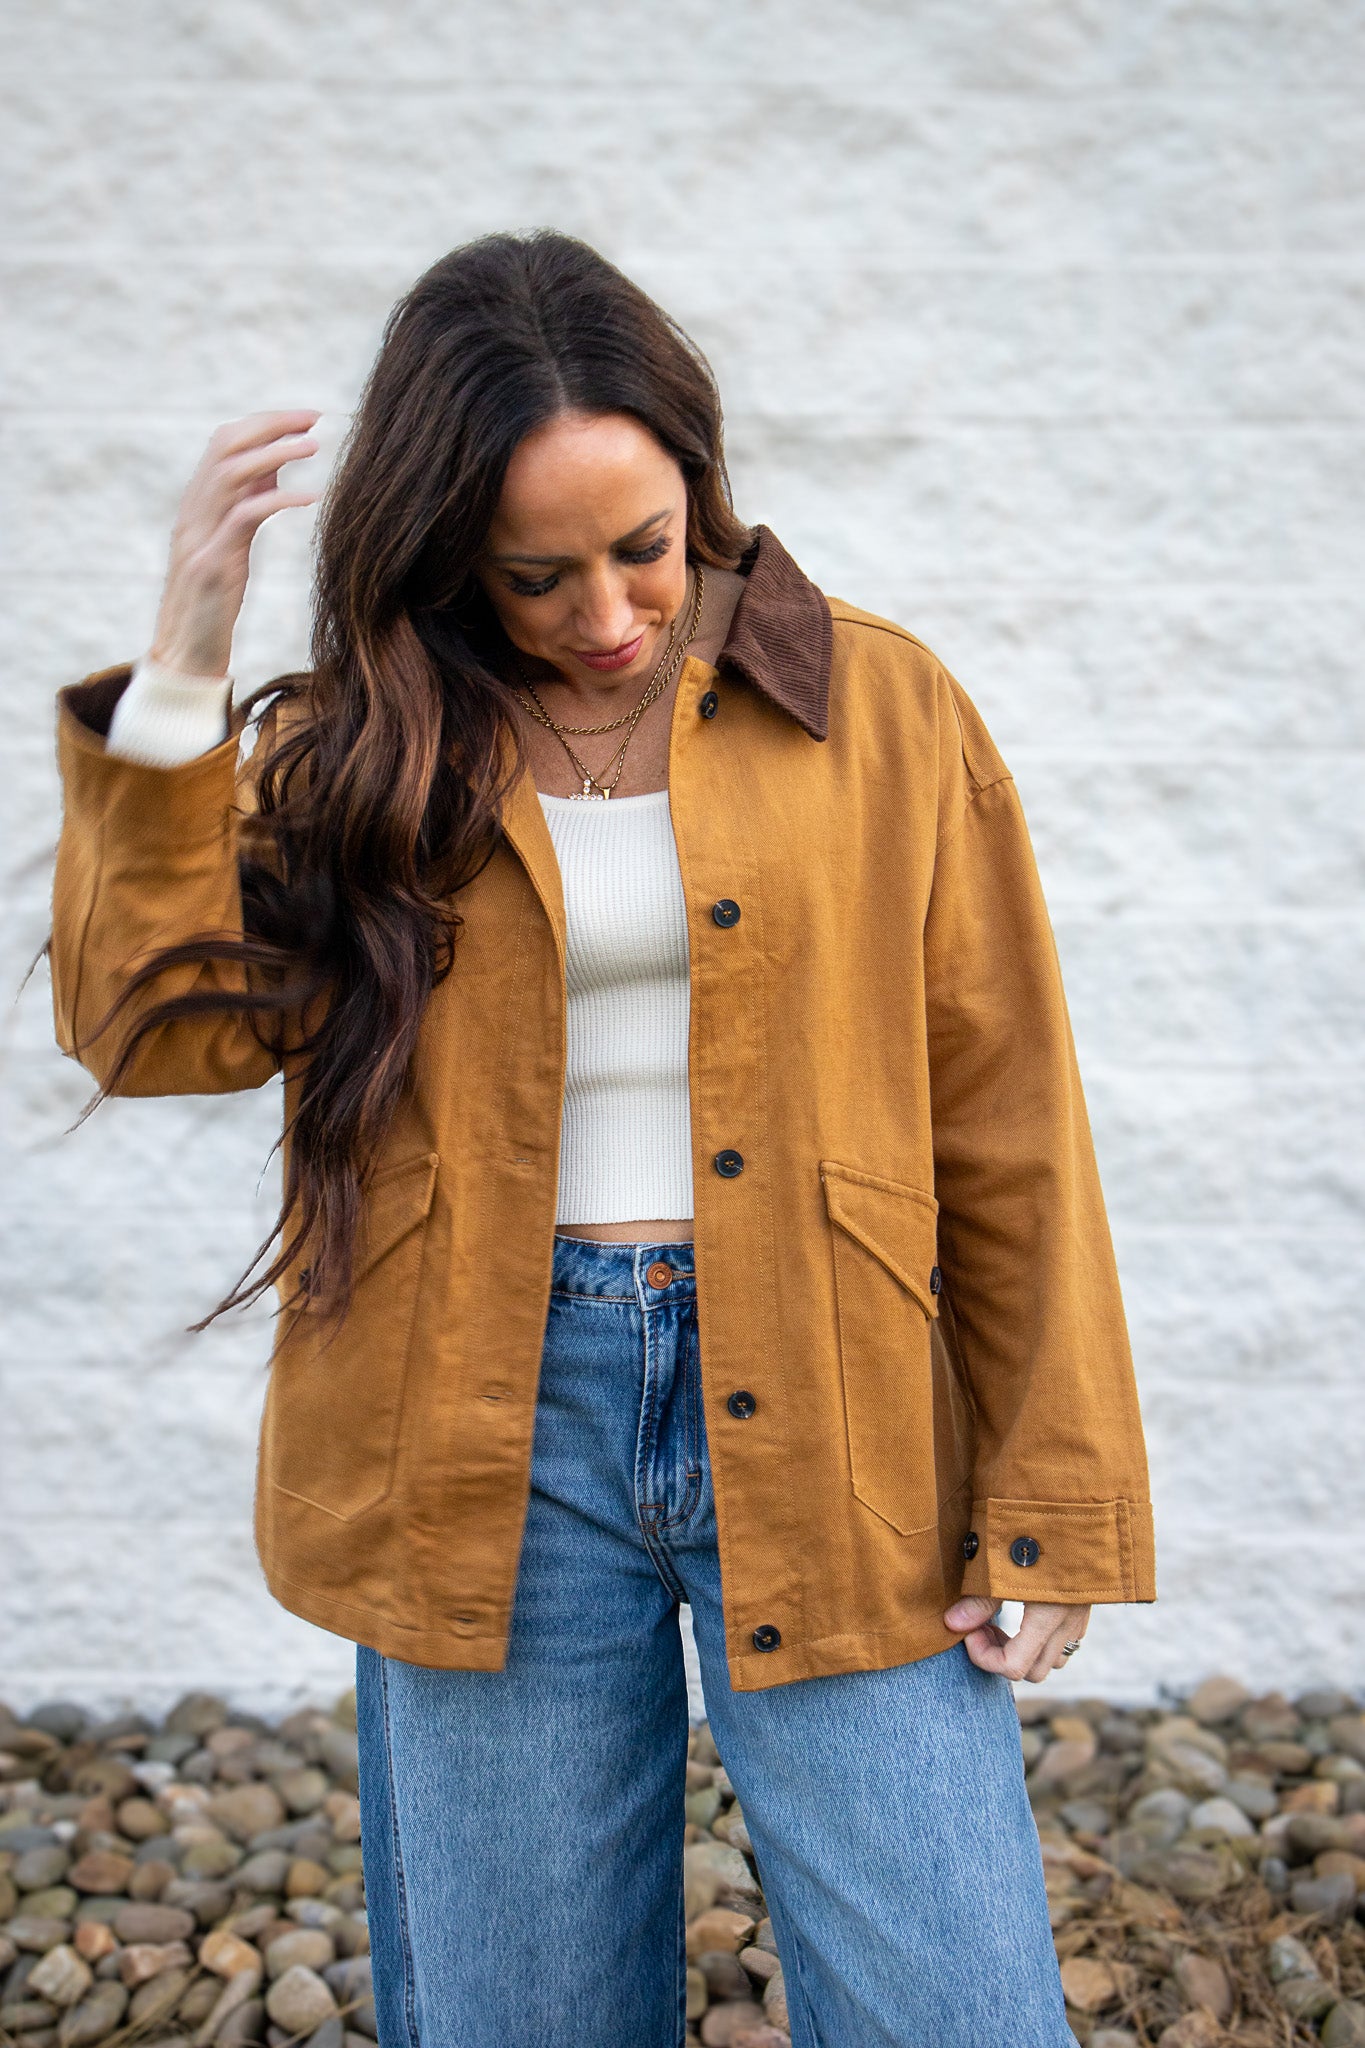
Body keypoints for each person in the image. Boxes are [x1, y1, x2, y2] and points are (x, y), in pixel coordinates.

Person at [49, 229, 1155, 2048]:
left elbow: (1009, 1119)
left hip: (836, 1395)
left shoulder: (877, 708)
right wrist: (184, 652)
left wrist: (1050, 1495)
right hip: (478, 1417)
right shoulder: (369, 744)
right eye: (535, 575)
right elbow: (156, 1031)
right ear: (444, 553)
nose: (610, 614)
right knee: (522, 2015)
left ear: (697, 482)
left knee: (951, 2007)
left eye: (641, 547)